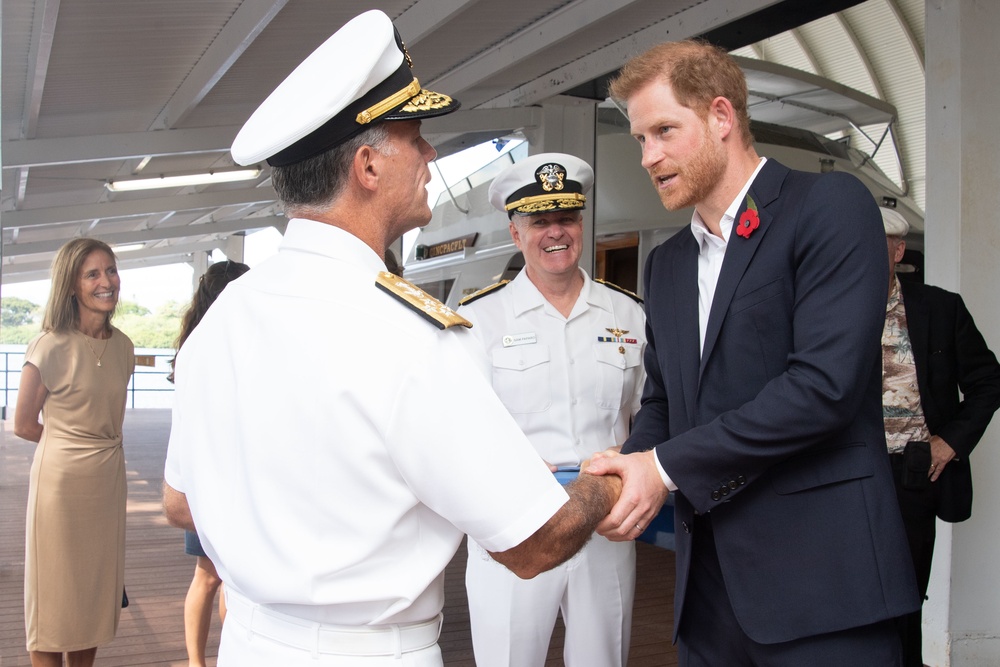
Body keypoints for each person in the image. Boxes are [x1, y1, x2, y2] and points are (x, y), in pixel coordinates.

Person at [161, 10, 622, 667]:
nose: (431, 154)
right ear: (369, 165)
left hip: (249, 643)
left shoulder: (224, 317)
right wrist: (606, 483)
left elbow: (179, 501)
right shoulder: (409, 335)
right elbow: (534, 543)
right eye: (416, 136)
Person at [584, 40, 920, 665]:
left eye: (663, 130)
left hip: (822, 590)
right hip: (707, 597)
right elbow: (663, 402)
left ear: (720, 117)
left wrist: (662, 468)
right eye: (639, 139)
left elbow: (823, 389)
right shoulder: (667, 265)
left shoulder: (829, 208)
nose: (649, 156)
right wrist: (630, 469)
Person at [458, 153, 646, 667]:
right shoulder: (477, 320)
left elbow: (650, 412)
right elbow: (459, 431)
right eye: (539, 221)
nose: (554, 233)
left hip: (603, 521)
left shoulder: (628, 314)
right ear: (516, 234)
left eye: (565, 218)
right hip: (514, 522)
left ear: (581, 225)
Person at [880, 206, 1000, 666]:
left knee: (907, 595)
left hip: (913, 474)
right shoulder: (827, 309)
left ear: (898, 251)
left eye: (878, 247)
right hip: (851, 472)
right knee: (851, 596)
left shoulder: (940, 308)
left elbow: (989, 382)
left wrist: (949, 442)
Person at [14, 238, 136, 667]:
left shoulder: (124, 347)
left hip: (107, 485)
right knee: (53, 598)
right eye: (93, 274)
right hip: (60, 488)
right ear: (71, 285)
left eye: (111, 271)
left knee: (91, 594)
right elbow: (24, 423)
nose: (107, 282)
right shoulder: (48, 345)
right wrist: (69, 443)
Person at [170, 259, 250, 667]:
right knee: (217, 579)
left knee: (215, 578)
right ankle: (204, 661)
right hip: (218, 485)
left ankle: (204, 661)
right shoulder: (216, 350)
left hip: (214, 482)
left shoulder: (194, 350)